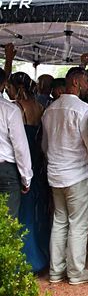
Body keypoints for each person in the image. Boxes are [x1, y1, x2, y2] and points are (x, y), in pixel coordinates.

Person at [42, 67, 88, 285]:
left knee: (59, 221)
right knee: (79, 223)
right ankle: (76, 272)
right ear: (75, 82)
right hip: (78, 175)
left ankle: (56, 271)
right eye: (85, 82)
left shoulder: (50, 109)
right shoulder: (82, 110)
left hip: (55, 174)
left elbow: (45, 146)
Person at [6, 71, 50, 273]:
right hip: (37, 161)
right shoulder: (40, 107)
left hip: (21, 163)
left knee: (20, 212)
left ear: (16, 88)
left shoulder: (17, 108)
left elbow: (18, 143)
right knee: (35, 210)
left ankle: (24, 258)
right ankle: (39, 254)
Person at [0, 68, 32, 218]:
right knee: (7, 222)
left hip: (7, 170)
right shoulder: (10, 109)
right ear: (3, 85)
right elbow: (20, 147)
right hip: (6, 171)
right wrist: (26, 177)